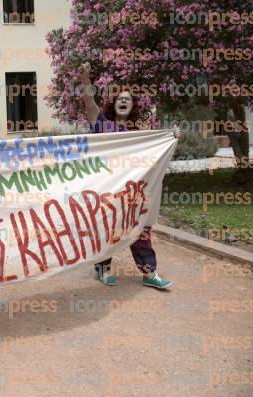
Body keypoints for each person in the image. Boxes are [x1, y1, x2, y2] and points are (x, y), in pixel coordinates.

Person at [78, 61, 176, 290]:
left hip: (133, 192)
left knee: (140, 228)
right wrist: (85, 82)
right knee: (108, 230)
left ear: (132, 106)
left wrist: (172, 137)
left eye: (128, 99)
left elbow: (153, 157)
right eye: (120, 98)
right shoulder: (103, 126)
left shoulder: (138, 135)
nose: (124, 101)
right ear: (113, 103)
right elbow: (90, 104)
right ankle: (102, 268)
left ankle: (149, 272)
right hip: (109, 191)